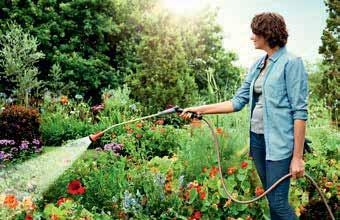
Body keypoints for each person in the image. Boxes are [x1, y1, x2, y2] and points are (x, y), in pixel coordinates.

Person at [180, 12, 308, 220]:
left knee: (278, 202)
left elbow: (300, 112)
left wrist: (297, 157)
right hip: (258, 141)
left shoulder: (292, 63)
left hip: (280, 144)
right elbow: (237, 102)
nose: (252, 37)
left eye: (255, 33)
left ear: (268, 34)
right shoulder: (259, 65)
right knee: (271, 200)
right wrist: (199, 109)